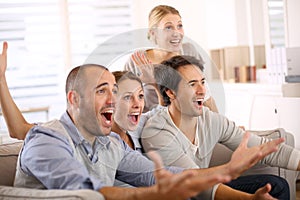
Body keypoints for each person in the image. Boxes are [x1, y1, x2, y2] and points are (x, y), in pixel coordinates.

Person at [0, 41, 285, 199]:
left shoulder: (110, 143)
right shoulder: (48, 139)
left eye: (115, 91)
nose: (113, 99)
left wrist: (227, 170)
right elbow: (83, 193)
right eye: (104, 91)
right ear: (74, 100)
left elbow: (162, 173)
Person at [140, 55, 300, 200]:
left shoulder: (210, 120)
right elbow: (193, 184)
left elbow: (262, 148)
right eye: (192, 84)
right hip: (182, 195)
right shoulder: (157, 132)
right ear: (171, 93)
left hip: (205, 187)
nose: (202, 91)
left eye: (202, 82)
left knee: (276, 186)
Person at [124, 5, 218, 113]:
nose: (176, 33)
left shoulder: (188, 51)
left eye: (179, 26)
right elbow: (128, 108)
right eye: (168, 27)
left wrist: (225, 127)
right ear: (153, 33)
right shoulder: (136, 62)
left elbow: (206, 96)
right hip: (152, 125)